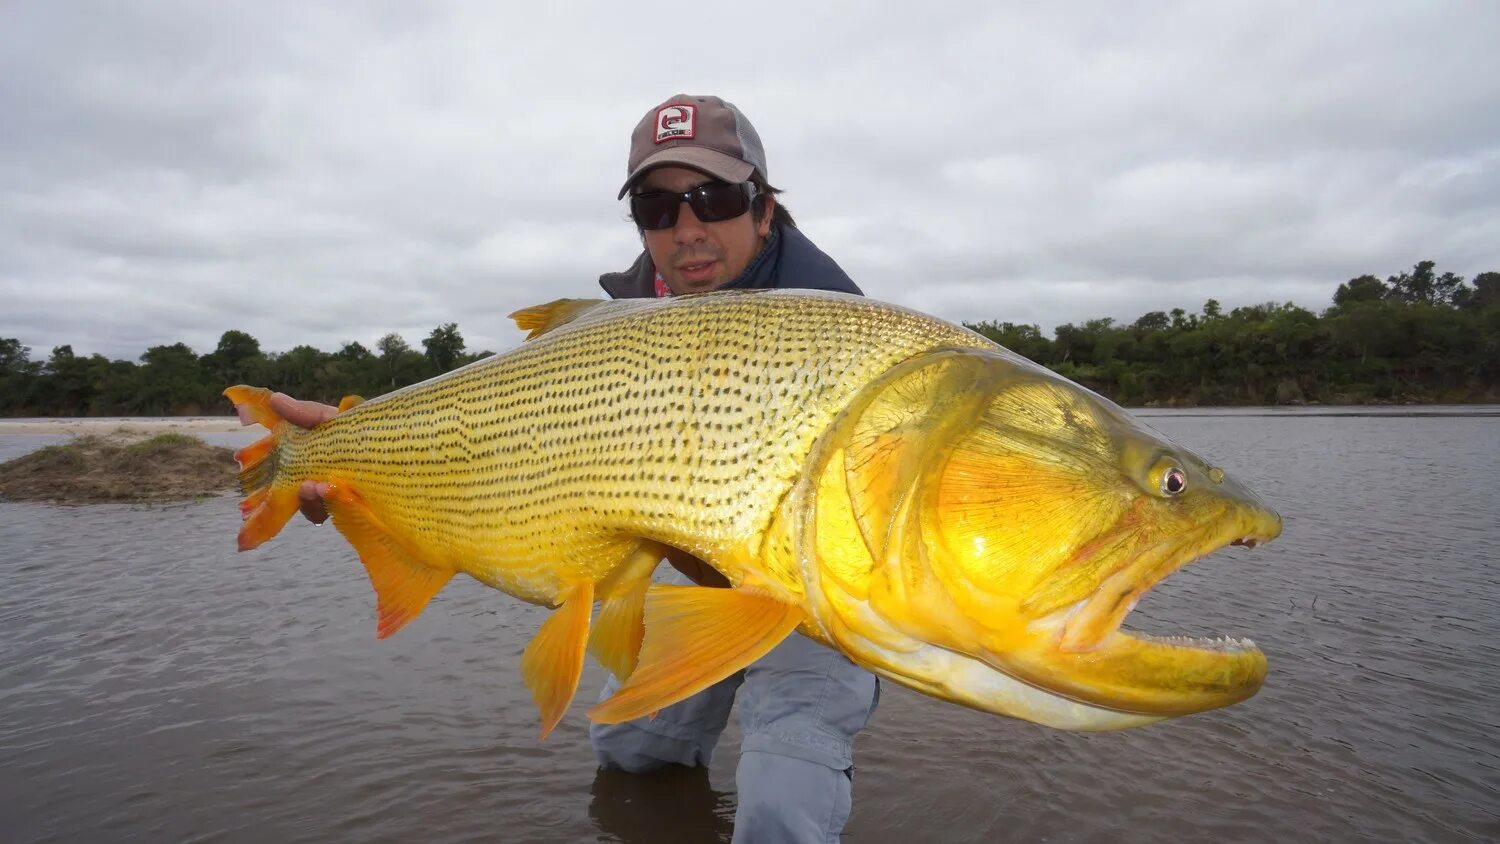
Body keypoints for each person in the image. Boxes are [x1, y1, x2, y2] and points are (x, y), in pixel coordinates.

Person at [268, 94, 879, 843]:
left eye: (714, 198)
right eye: (658, 209)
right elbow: (494, 428)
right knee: (630, 758)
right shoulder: (617, 327)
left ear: (764, 209)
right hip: (696, 586)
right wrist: (368, 442)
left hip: (812, 604)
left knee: (780, 814)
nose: (687, 230)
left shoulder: (840, 338)